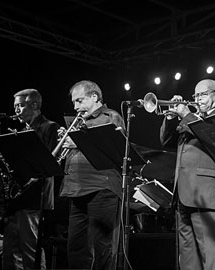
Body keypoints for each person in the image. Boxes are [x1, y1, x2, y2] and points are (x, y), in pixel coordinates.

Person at [160, 79, 215, 270]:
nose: (197, 99)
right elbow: (166, 141)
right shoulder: (191, 121)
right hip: (184, 194)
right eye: (195, 96)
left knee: (211, 257)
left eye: (202, 95)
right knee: (188, 259)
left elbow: (210, 136)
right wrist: (170, 118)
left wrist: (186, 114)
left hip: (206, 195)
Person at [59, 80, 125, 269]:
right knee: (76, 249)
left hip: (101, 188)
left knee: (102, 247)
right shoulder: (78, 123)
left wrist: (80, 142)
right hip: (76, 189)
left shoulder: (110, 116)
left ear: (94, 97)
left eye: (79, 101)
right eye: (73, 102)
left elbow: (117, 151)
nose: (75, 106)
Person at [2, 89, 59, 269]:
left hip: (35, 196)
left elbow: (49, 162)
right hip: (17, 197)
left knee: (29, 249)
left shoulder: (49, 127)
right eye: (15, 107)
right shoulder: (20, 130)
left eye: (20, 105)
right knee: (10, 250)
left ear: (34, 105)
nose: (17, 110)